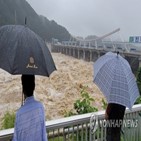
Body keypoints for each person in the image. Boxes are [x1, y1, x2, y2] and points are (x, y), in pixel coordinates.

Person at [13, 75, 47, 141]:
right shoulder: (40, 107)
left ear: (23, 90)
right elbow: (44, 136)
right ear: (34, 87)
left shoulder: (19, 113)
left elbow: (16, 138)